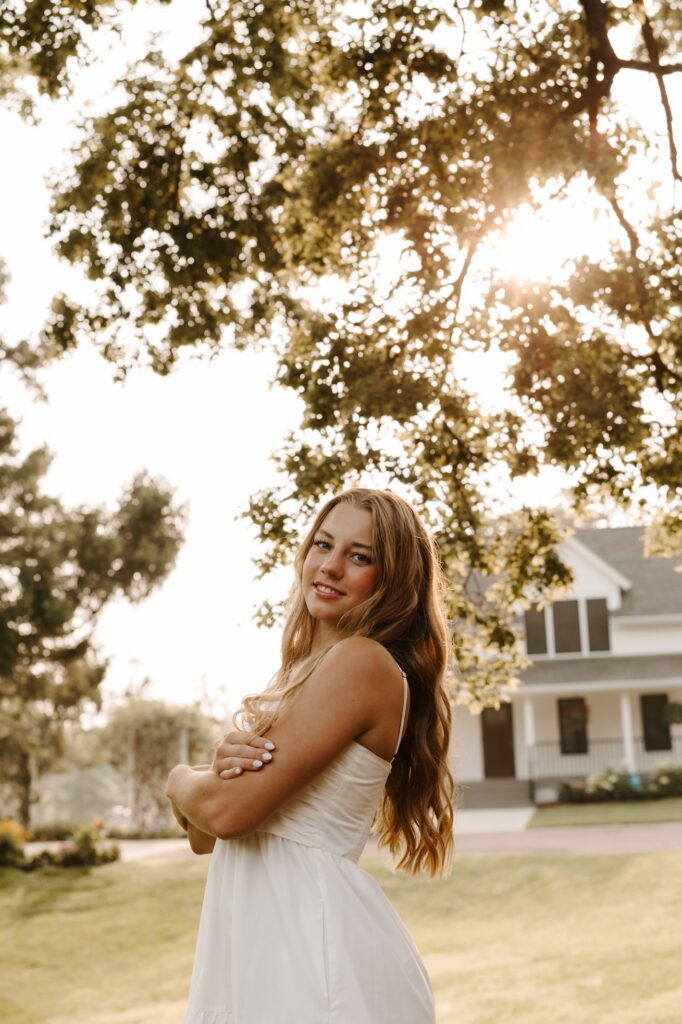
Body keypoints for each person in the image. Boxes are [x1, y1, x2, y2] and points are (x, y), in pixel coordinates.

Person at [166, 487, 455, 1023]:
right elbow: (204, 838)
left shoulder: (362, 663)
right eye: (323, 544)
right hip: (259, 946)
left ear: (391, 580)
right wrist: (216, 769)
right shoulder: (299, 674)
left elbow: (228, 815)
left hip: (314, 955)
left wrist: (181, 778)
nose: (331, 566)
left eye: (360, 556)